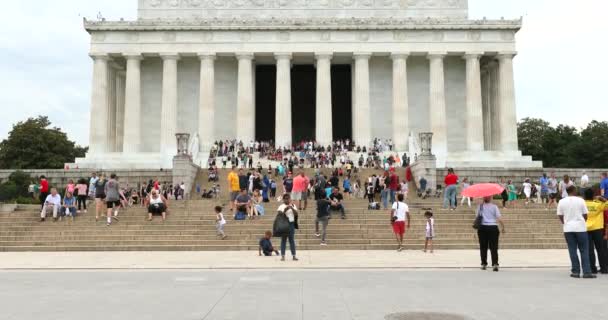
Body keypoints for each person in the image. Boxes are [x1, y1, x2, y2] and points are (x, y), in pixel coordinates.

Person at [557, 185, 595, 278]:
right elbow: (585, 215)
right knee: (584, 250)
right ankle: (586, 272)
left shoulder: (561, 201)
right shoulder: (581, 200)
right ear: (574, 191)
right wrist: (582, 221)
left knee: (572, 250)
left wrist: (565, 223)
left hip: (568, 228)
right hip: (580, 228)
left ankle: (575, 271)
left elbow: (560, 215)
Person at [477, 196, 505, 272]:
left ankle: (483, 264)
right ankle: (495, 264)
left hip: (482, 227)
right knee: (494, 247)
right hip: (493, 227)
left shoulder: (480, 206)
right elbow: (499, 218)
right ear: (490, 198)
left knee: (483, 247)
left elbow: (477, 218)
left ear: (483, 198)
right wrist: (503, 227)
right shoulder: (494, 207)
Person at [583, 189, 607, 274]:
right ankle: (604, 268)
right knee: (600, 249)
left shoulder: (582, 204)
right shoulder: (598, 204)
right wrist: (600, 198)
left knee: (590, 250)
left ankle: (592, 268)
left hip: (586, 229)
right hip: (597, 229)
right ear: (593, 195)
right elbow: (607, 204)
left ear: (584, 196)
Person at [277, 194, 298, 261]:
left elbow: (296, 214)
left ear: (290, 199)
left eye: (288, 198)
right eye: (285, 198)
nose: (287, 200)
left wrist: (291, 208)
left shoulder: (293, 205)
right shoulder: (281, 206)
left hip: (291, 224)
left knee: (291, 240)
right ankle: (283, 256)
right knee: (283, 240)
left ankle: (294, 255)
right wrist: (285, 210)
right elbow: (279, 216)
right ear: (283, 199)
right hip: (284, 225)